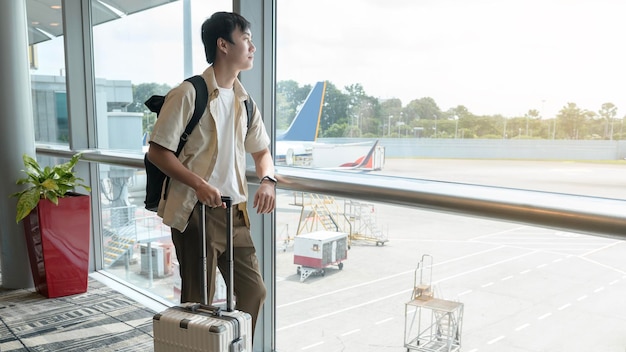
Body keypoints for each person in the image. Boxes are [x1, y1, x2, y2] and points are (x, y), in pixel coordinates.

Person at [147, 11, 276, 337]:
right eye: (245, 39)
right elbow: (158, 151)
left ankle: (233, 345)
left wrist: (267, 180)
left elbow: (261, 152)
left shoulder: (245, 102)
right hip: (195, 213)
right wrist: (199, 184)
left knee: (253, 291)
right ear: (223, 45)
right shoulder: (189, 94)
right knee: (197, 303)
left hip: (235, 214)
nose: (252, 47)